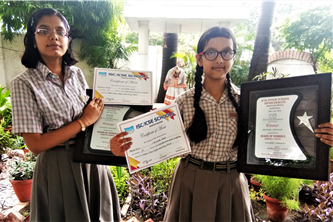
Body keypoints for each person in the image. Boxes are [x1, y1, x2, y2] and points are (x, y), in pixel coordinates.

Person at [110, 26, 333, 222]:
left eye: (226, 51)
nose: (219, 59)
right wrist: (125, 147)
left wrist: (317, 138)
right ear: (200, 59)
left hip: (230, 184)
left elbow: (281, 134)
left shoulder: (249, 101)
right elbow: (154, 140)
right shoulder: (184, 102)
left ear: (233, 56)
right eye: (211, 52)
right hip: (189, 181)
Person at [11, 8, 121, 221]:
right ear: (33, 39)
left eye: (60, 31)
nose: (54, 36)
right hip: (57, 167)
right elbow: (35, 144)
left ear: (68, 40)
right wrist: (83, 121)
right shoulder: (24, 83)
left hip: (92, 161)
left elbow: (95, 117)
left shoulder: (76, 74)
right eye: (44, 30)